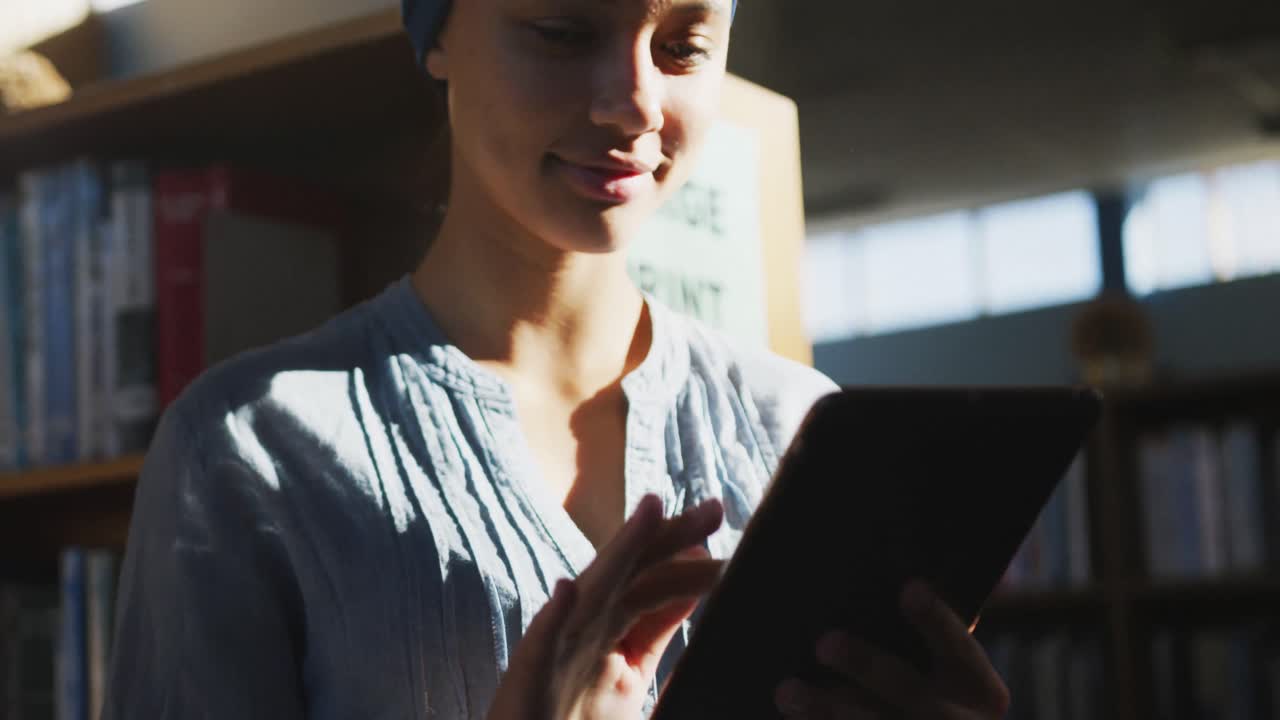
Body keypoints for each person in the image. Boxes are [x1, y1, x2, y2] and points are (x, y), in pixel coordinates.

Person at [103, 0, 1012, 718]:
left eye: (684, 46)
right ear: (438, 34)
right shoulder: (247, 454)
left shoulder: (800, 430)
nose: (637, 103)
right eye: (564, 32)